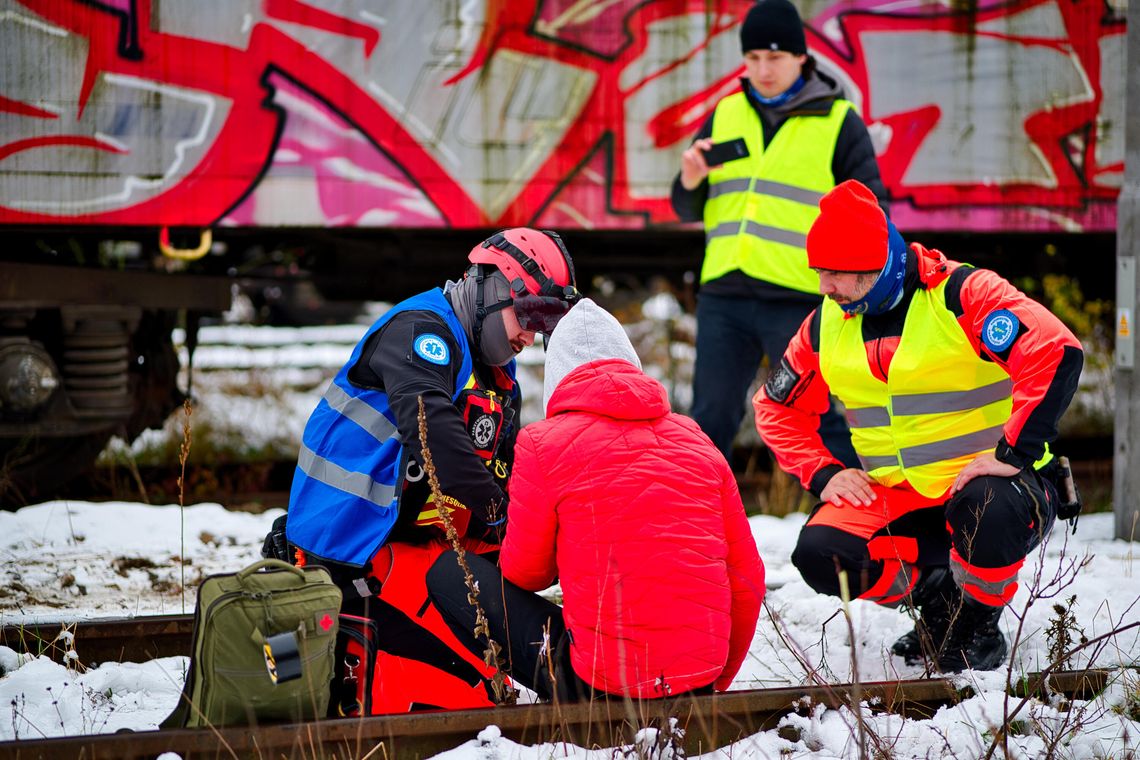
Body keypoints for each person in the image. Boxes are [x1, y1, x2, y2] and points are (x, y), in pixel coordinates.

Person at [753, 180, 1084, 672]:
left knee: (985, 508)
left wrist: (1012, 453)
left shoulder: (964, 294)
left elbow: (1057, 351)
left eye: (835, 274)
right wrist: (822, 474)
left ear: (876, 262)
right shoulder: (826, 321)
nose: (824, 287)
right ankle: (938, 599)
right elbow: (776, 407)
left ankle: (976, 622)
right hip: (902, 496)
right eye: (819, 272)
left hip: (998, 494)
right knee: (821, 554)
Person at [265, 227, 581, 713]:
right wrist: (505, 513)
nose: (529, 336)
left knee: (485, 662)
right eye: (529, 315)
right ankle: (588, 684)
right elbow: (434, 435)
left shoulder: (496, 375)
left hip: (415, 544)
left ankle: (590, 673)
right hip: (354, 551)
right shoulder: (421, 332)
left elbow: (503, 468)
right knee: (458, 698)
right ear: (491, 287)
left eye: (543, 325)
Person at [426, 299, 766, 701]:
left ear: (558, 376)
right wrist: (714, 681)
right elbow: (748, 580)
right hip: (698, 679)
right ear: (631, 362)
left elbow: (525, 574)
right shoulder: (696, 440)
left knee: (448, 573)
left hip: (600, 687)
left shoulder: (542, 443)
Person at [672, 0, 888, 466]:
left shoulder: (839, 122)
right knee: (708, 420)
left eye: (774, 58)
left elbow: (875, 212)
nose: (762, 70)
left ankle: (846, 529)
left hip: (798, 297)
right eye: (752, 59)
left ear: (801, 59)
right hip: (724, 295)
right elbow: (683, 205)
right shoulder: (725, 113)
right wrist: (689, 181)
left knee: (818, 417)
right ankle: (696, 527)